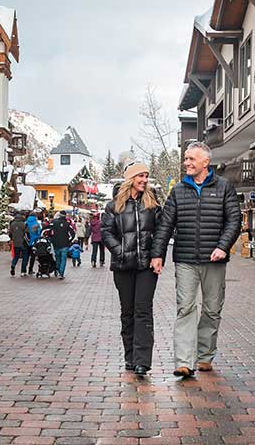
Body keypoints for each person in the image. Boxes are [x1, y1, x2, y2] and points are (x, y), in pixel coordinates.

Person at [152, 141, 241, 378]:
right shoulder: (178, 190)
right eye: (186, 159)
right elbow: (165, 225)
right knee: (185, 308)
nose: (187, 163)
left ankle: (204, 356)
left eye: (192, 159)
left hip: (215, 260)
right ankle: (183, 361)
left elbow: (234, 221)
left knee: (212, 309)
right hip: (185, 259)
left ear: (205, 162)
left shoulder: (224, 187)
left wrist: (223, 247)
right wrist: (157, 254)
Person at [102, 163, 161, 376]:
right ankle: (130, 357)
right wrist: (120, 251)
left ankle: (142, 361)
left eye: (146, 176)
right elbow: (106, 232)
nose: (144, 180)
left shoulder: (152, 203)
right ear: (130, 179)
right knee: (127, 312)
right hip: (123, 265)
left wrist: (156, 255)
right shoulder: (114, 206)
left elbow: (160, 231)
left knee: (143, 310)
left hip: (146, 266)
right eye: (140, 176)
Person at [50, 210, 75, 280]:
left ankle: (57, 270)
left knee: (57, 258)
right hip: (65, 244)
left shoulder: (54, 222)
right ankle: (61, 273)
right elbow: (72, 234)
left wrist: (52, 239)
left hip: (56, 244)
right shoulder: (67, 224)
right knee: (63, 259)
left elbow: (49, 230)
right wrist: (69, 240)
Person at [9, 211, 30, 276]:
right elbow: (27, 234)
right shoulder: (24, 224)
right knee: (25, 257)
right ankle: (23, 271)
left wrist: (13, 239)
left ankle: (13, 265)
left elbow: (10, 234)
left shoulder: (12, 224)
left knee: (16, 256)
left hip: (15, 243)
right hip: (23, 243)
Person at [25, 210, 43, 275]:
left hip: (27, 242)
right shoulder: (36, 224)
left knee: (26, 256)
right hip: (34, 242)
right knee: (33, 257)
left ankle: (23, 270)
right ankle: (30, 269)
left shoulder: (26, 222)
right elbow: (39, 233)